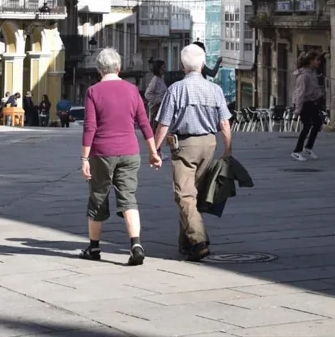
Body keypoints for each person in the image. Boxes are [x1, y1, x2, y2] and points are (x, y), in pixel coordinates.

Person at [80, 48, 161, 266]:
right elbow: (144, 122)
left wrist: (84, 158)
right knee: (128, 198)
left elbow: (90, 127)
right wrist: (153, 152)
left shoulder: (93, 92)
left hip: (102, 153)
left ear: (99, 70)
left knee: (98, 196)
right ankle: (136, 245)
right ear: (119, 68)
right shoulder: (133, 90)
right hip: (130, 152)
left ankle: (94, 247)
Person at [152, 44, 232, 262]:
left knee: (184, 195)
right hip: (209, 144)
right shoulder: (214, 89)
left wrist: (155, 149)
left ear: (182, 65)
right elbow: (224, 123)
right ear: (203, 64)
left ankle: (199, 241)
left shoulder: (176, 89)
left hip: (185, 146)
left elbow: (163, 125)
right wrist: (227, 150)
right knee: (192, 194)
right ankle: (185, 244)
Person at [292, 54, 323, 161]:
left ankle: (308, 147)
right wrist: (297, 111)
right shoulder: (304, 76)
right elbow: (300, 94)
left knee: (318, 122)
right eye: (316, 59)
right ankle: (296, 151)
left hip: (310, 102)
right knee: (307, 126)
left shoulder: (312, 73)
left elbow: (314, 89)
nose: (319, 62)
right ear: (310, 61)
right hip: (303, 103)